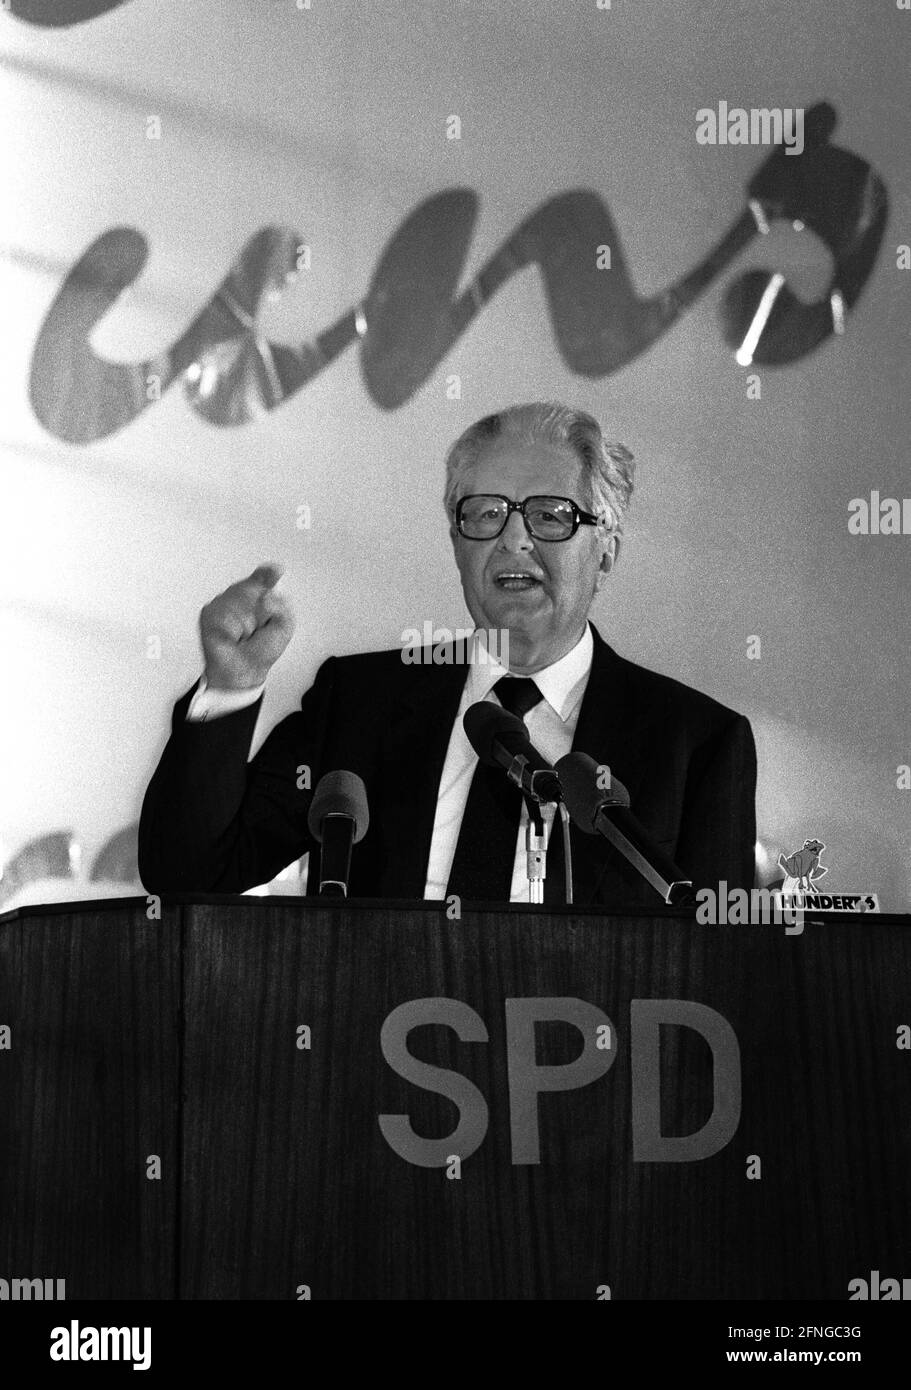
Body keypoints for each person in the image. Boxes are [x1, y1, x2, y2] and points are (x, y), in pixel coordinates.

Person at [138, 402, 756, 905]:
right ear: (457, 542)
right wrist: (230, 686)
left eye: (549, 514)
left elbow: (718, 977)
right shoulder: (362, 701)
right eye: (485, 513)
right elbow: (189, 873)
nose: (514, 538)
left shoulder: (696, 745)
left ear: (606, 552)